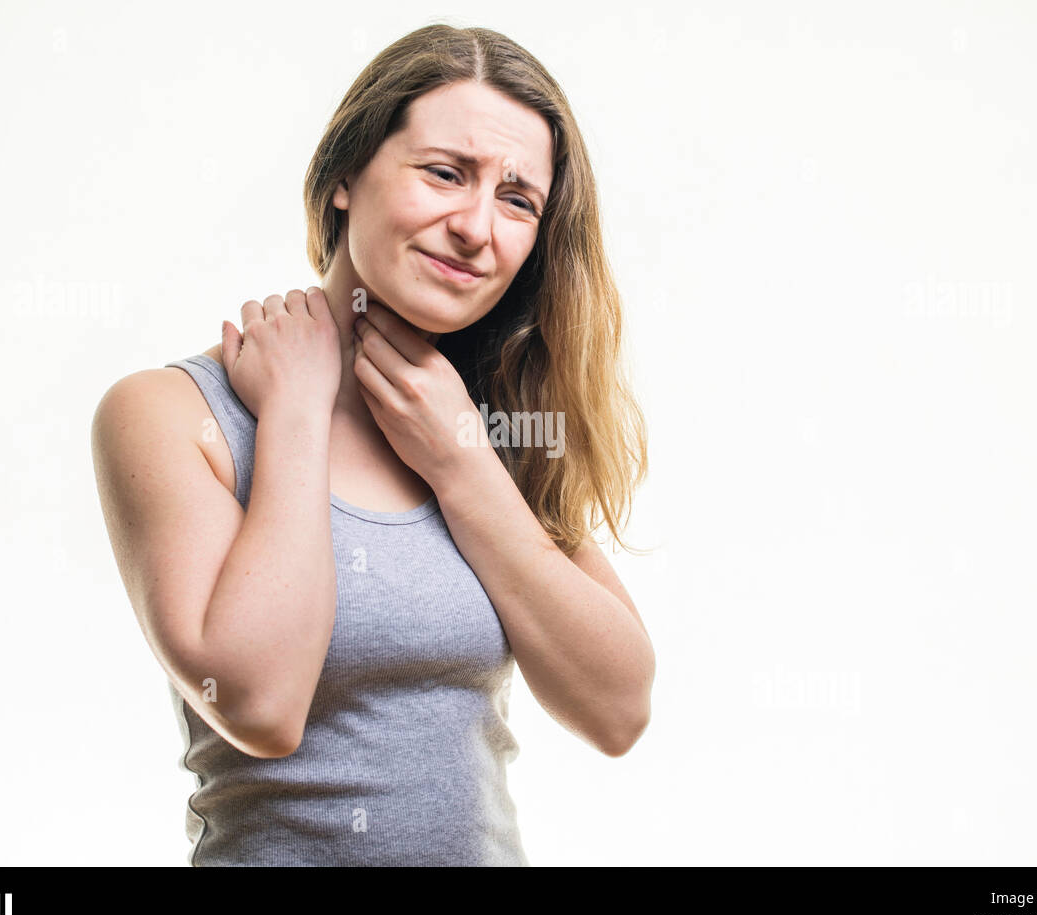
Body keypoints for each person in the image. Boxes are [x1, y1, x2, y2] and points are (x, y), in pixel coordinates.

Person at [91, 23, 654, 866]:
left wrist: (463, 463)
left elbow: (618, 709)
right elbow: (260, 703)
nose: (475, 227)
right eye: (444, 173)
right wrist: (293, 414)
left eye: (517, 199)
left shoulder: (493, 425)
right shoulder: (172, 414)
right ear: (347, 175)